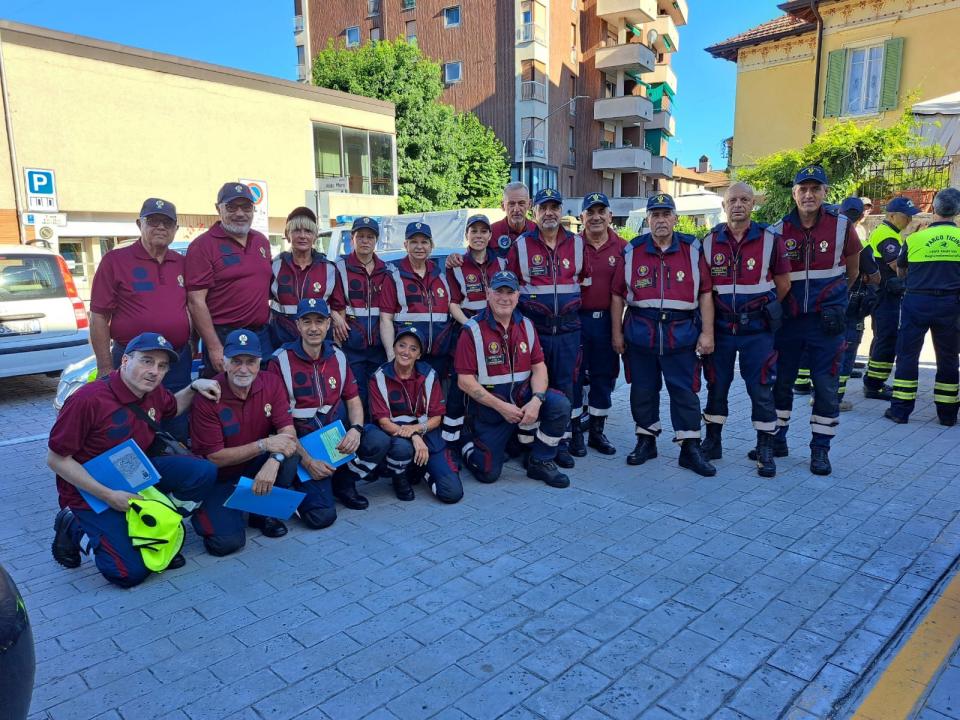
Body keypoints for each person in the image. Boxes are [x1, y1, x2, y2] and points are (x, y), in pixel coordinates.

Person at [48, 332, 220, 588]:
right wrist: (108, 495)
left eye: (162, 366)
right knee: (127, 574)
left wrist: (194, 387)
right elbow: (56, 460)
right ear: (126, 360)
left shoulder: (153, 392)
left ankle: (161, 529)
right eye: (147, 361)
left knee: (203, 472)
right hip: (89, 492)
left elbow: (172, 406)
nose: (154, 371)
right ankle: (73, 526)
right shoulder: (87, 400)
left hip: (134, 475)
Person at [611, 193, 717, 477]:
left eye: (665, 214)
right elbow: (617, 296)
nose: (660, 220)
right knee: (642, 390)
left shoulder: (693, 249)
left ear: (675, 218)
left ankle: (690, 447)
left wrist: (707, 333)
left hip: (681, 335)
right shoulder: (632, 251)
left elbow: (706, 293)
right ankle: (646, 440)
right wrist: (616, 333)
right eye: (655, 215)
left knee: (685, 391)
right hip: (640, 334)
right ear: (648, 220)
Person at [766, 166, 863, 475]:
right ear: (794, 194)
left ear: (824, 193)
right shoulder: (778, 230)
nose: (808, 194)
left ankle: (820, 449)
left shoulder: (841, 227)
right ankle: (778, 439)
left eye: (815, 189)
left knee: (825, 386)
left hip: (826, 323)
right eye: (802, 189)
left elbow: (853, 271)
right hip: (790, 322)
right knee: (781, 384)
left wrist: (833, 299)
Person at [267, 298, 390, 521]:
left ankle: (344, 484)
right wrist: (307, 461)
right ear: (298, 326)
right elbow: (279, 423)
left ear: (328, 325)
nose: (313, 328)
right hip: (302, 444)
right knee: (320, 517)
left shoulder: (338, 355)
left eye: (319, 321)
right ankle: (302, 482)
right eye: (307, 322)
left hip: (336, 438)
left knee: (378, 440)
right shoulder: (280, 361)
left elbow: (353, 399)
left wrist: (356, 429)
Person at [700, 183, 791, 477]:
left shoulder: (769, 240)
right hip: (723, 328)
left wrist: (760, 308)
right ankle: (713, 442)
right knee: (717, 385)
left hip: (757, 329)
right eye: (732, 200)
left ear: (753, 204)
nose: (738, 204)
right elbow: (704, 291)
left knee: (761, 388)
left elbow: (784, 283)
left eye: (744, 199)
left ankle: (765, 446)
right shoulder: (709, 242)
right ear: (724, 206)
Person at [88, 198, 193, 440]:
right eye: (153, 221)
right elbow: (99, 317)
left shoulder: (181, 263)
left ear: (176, 229)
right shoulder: (115, 261)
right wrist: (105, 367)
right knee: (131, 425)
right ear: (139, 224)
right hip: (134, 360)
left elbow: (192, 306)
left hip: (175, 360)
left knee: (176, 423)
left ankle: (174, 472)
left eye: (167, 222)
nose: (160, 227)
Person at [455, 271, 571, 488]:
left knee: (560, 404)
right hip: (490, 410)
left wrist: (537, 400)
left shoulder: (526, 325)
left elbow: (539, 368)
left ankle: (541, 460)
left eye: (510, 292)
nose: (504, 298)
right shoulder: (471, 330)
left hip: (523, 401)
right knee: (487, 473)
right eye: (499, 291)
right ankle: (466, 441)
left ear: (518, 296)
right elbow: (465, 381)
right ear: (488, 294)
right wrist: (502, 408)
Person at [189, 329, 300, 555]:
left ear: (259, 363)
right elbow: (215, 457)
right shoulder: (209, 394)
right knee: (226, 545)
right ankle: (222, 511)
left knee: (289, 454)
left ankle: (260, 514)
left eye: (250, 362)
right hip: (218, 479)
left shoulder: (271, 383)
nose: (243, 369)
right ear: (225, 363)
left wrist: (273, 461)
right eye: (236, 361)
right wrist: (264, 445)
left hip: (252, 467)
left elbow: (288, 434)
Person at [504, 188, 591, 468]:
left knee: (566, 386)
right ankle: (531, 445)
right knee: (533, 387)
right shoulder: (521, 246)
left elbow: (585, 284)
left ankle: (560, 443)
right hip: (536, 332)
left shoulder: (577, 244)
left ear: (562, 211)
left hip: (568, 331)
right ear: (535, 212)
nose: (550, 212)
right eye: (544, 208)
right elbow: (510, 288)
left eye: (555, 207)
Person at [886, 188, 960, 425]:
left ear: (934, 210)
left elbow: (901, 269)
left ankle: (900, 411)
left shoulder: (915, 239)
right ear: (957, 212)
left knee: (907, 355)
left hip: (916, 302)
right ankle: (947, 415)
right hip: (951, 304)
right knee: (948, 358)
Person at [186, 183, 273, 376]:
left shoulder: (261, 241)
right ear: (218, 208)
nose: (240, 213)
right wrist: (214, 347)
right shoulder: (202, 246)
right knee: (223, 396)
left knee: (262, 392)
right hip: (224, 337)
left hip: (260, 335)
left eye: (246, 207)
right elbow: (195, 302)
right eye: (232, 207)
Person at [369, 328, 463, 503]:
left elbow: (436, 418)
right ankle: (399, 477)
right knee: (401, 448)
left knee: (452, 493)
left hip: (428, 433)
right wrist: (414, 436)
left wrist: (417, 430)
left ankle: (421, 470)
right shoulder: (379, 377)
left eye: (413, 348)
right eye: (402, 345)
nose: (406, 352)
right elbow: (383, 422)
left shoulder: (429, 375)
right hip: (397, 434)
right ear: (394, 347)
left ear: (419, 354)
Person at [442, 214, 505, 447]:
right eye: (474, 231)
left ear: (490, 235)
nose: (479, 236)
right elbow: (452, 303)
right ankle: (451, 443)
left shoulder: (502, 264)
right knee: (460, 388)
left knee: (492, 385)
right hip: (467, 334)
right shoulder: (457, 265)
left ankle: (486, 437)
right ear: (467, 235)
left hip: (497, 333)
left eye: (483, 231)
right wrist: (469, 325)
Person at [570, 192, 623, 456]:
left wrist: (618, 332)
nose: (596, 217)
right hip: (576, 322)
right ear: (582, 218)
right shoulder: (571, 245)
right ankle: (576, 432)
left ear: (610, 216)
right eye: (590, 212)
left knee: (604, 377)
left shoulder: (624, 248)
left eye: (601, 211)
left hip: (606, 323)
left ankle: (597, 432)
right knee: (575, 377)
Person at [334, 216, 394, 412]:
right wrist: (334, 315)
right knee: (355, 396)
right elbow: (327, 301)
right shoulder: (338, 267)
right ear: (352, 238)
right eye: (360, 236)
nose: (365, 241)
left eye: (370, 237)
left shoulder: (386, 271)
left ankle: (374, 437)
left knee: (378, 396)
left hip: (378, 349)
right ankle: (356, 436)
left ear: (376, 240)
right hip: (351, 347)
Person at [863, 196, 920, 399]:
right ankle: (874, 385)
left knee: (882, 337)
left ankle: (873, 380)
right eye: (907, 217)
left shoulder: (889, 233)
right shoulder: (887, 236)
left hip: (884, 294)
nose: (910, 221)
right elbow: (897, 266)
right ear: (892, 215)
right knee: (887, 338)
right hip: (885, 294)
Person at [380, 222, 454, 377]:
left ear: (431, 245)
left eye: (424, 242)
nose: (419, 247)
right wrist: (391, 356)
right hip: (408, 357)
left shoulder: (440, 273)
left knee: (435, 400)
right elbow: (385, 319)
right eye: (414, 242)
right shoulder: (394, 275)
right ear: (405, 245)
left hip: (438, 357)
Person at [268, 206, 347, 348]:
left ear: (315, 236)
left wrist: (337, 343)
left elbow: (339, 307)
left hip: (318, 344)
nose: (303, 236)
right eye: (297, 230)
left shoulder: (329, 268)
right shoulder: (275, 265)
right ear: (288, 234)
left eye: (308, 231)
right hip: (281, 342)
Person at [835, 198, 881, 409]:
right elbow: (875, 276)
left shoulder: (828, 237)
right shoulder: (858, 243)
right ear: (862, 216)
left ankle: (820, 393)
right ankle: (836, 398)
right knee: (848, 348)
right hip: (853, 302)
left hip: (831, 300)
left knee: (829, 348)